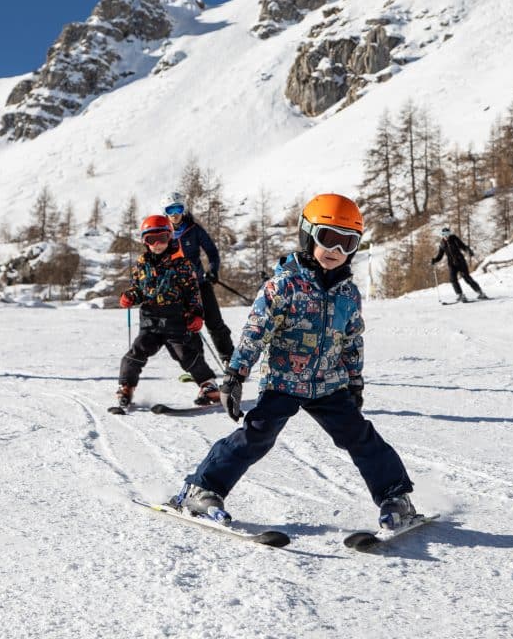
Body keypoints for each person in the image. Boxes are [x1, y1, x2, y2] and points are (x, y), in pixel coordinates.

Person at [170, 193, 417, 530]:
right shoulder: (284, 286)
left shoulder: (348, 293)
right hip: (284, 381)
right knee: (256, 436)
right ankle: (201, 489)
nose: (336, 250)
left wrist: (354, 380)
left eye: (348, 243)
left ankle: (395, 496)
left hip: (329, 384)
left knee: (360, 436)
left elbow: (352, 339)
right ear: (307, 234)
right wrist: (235, 374)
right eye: (328, 239)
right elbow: (255, 332)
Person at [115, 214, 221, 409]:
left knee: (185, 354)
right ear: (144, 241)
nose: (157, 244)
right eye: (151, 239)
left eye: (162, 238)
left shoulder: (182, 264)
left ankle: (208, 385)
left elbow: (192, 292)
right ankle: (126, 386)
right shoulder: (141, 264)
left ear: (170, 237)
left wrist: (196, 314)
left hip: (176, 320)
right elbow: (138, 289)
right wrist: (130, 296)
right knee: (137, 351)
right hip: (150, 323)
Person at [161, 192, 234, 365]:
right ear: (164, 212)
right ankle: (196, 365)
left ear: (183, 209)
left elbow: (212, 252)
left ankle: (230, 360)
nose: (174, 213)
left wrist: (213, 271)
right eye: (170, 209)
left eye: (178, 208)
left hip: (200, 284)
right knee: (188, 328)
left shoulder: (194, 229)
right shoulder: (163, 234)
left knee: (215, 323)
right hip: (179, 290)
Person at [431, 227, 488, 302]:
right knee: (453, 279)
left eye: (447, 234)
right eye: (444, 234)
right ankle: (460, 295)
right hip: (451, 263)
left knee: (466, 278)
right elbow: (440, 255)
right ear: (442, 235)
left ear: (449, 233)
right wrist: (435, 260)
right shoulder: (442, 243)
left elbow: (463, 246)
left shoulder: (454, 239)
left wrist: (468, 251)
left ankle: (480, 292)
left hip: (460, 261)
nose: (446, 236)